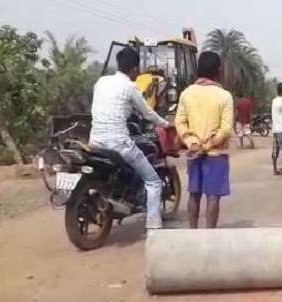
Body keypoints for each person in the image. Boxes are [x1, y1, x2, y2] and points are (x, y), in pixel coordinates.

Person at [89, 47, 170, 230]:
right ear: (135, 69)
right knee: (153, 181)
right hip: (118, 143)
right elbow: (148, 113)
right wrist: (166, 125)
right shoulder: (130, 86)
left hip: (95, 142)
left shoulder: (101, 82)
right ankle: (154, 226)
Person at [175, 51, 234, 229]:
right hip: (215, 153)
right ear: (218, 70)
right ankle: (209, 236)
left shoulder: (187, 93)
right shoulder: (224, 96)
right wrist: (206, 145)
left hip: (193, 153)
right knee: (213, 196)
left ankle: (193, 233)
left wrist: (192, 143)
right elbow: (225, 129)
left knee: (194, 194)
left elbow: (180, 121)